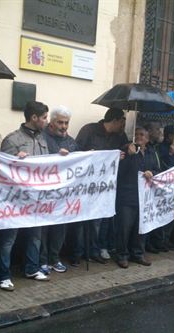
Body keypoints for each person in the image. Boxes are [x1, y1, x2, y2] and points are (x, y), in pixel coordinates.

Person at [0, 101, 50, 290]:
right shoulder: (12, 140)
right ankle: (3, 275)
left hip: (36, 198)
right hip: (16, 200)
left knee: (36, 235)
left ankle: (31, 268)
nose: (46, 121)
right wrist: (15, 160)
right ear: (33, 118)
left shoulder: (43, 139)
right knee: (9, 237)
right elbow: (2, 170)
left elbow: (48, 165)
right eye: (44, 117)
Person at [73, 108, 128, 266]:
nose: (123, 127)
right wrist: (89, 154)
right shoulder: (89, 130)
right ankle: (78, 252)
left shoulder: (120, 136)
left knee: (100, 219)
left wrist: (124, 153)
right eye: (122, 123)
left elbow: (123, 152)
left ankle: (93, 250)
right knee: (82, 221)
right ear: (115, 120)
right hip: (86, 185)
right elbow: (76, 152)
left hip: (105, 187)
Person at [39, 105, 78, 275]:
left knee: (60, 228)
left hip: (64, 195)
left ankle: (54, 259)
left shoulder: (71, 141)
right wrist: (56, 154)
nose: (64, 126)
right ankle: (42, 260)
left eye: (66, 123)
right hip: (45, 192)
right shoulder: (41, 137)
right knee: (43, 228)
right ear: (52, 122)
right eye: (60, 122)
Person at [115, 127, 159, 268]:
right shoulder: (127, 149)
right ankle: (122, 255)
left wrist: (151, 172)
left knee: (141, 227)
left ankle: (138, 253)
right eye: (136, 134)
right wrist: (131, 155)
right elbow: (119, 171)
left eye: (142, 135)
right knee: (124, 228)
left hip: (144, 197)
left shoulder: (152, 152)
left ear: (147, 138)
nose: (139, 137)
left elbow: (158, 170)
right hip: (127, 195)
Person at [154, 125, 174, 250]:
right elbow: (165, 166)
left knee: (172, 214)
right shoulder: (161, 148)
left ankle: (166, 239)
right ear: (170, 135)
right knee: (162, 214)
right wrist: (171, 154)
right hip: (164, 186)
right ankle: (159, 241)